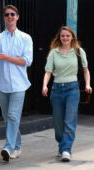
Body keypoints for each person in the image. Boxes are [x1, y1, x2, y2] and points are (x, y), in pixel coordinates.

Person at [0, 5, 33, 162]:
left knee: (13, 116)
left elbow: (27, 61)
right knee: (7, 117)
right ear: (4, 18)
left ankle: (8, 147)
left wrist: (8, 57)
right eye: (7, 15)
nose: (9, 17)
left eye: (12, 14)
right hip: (1, 83)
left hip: (19, 84)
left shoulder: (25, 38)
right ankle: (17, 146)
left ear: (17, 17)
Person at [42, 26, 92, 162]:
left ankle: (66, 150)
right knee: (58, 125)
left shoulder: (78, 52)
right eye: (63, 36)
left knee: (70, 121)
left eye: (67, 36)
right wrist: (45, 85)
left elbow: (86, 70)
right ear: (59, 37)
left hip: (72, 89)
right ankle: (62, 145)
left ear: (72, 38)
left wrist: (87, 84)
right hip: (56, 90)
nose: (65, 38)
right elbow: (48, 72)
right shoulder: (53, 53)